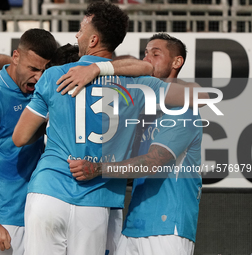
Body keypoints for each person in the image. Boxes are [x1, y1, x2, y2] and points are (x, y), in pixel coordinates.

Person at [12, 2, 207, 255]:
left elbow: (20, 137)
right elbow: (199, 96)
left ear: (93, 39)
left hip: (49, 191)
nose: (76, 35)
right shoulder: (138, 84)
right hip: (96, 201)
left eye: (81, 29)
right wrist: (105, 68)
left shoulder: (54, 76)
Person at [68, 33, 202, 255]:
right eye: (145, 53)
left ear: (177, 62)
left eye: (155, 54)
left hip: (167, 228)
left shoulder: (183, 109)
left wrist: (97, 169)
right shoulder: (142, 109)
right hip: (133, 226)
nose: (146, 59)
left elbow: (152, 163)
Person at [0, 28, 57, 255]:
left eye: (45, 70)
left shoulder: (42, 92)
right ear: (16, 57)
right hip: (2, 222)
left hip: (36, 217)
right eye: (33, 69)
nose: (39, 78)